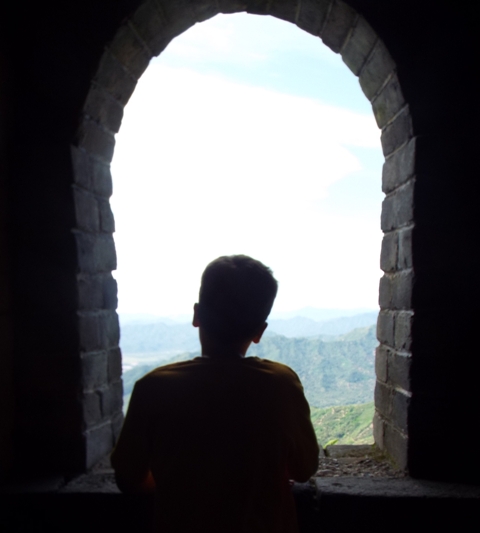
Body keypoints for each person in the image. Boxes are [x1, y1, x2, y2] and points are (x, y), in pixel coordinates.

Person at [111, 255, 319, 533]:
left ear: (197, 314)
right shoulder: (280, 384)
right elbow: (303, 470)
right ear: (259, 331)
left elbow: (129, 479)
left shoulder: (153, 387)